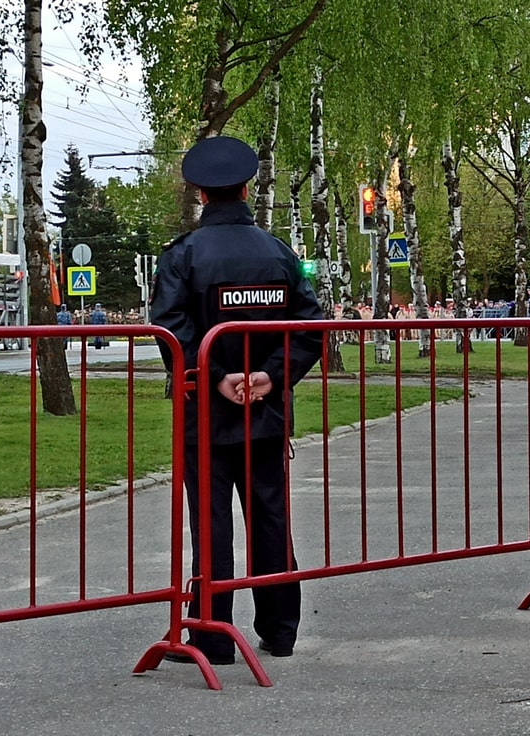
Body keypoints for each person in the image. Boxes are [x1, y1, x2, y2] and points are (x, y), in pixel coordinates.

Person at [150, 135, 324, 665]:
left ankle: (212, 637)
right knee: (270, 516)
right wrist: (271, 377)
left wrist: (219, 376)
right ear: (248, 187)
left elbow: (170, 328)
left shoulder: (182, 256)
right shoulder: (280, 254)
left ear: (200, 192)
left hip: (206, 412)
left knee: (213, 523)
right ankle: (280, 629)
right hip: (267, 415)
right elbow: (311, 325)